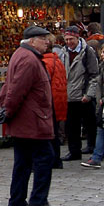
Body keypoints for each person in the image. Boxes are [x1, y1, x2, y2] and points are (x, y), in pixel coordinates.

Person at [0, 26, 59, 206]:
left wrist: (8, 110)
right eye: (43, 38)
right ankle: (38, 200)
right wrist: (8, 110)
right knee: (45, 157)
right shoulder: (28, 59)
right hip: (32, 121)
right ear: (32, 40)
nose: (47, 42)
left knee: (23, 162)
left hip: (27, 119)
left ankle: (17, 202)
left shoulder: (23, 55)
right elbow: (16, 89)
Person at [59, 25, 98, 162]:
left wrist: (89, 94)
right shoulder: (63, 52)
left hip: (83, 94)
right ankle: (74, 151)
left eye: (71, 39)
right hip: (69, 95)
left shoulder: (87, 52)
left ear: (77, 37)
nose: (69, 42)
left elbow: (94, 74)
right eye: (67, 39)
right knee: (71, 125)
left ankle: (94, 148)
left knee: (90, 123)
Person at [40, 36, 67, 169]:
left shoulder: (46, 62)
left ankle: (51, 159)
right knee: (54, 131)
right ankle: (56, 159)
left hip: (51, 100)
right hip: (59, 99)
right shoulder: (57, 60)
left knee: (48, 132)